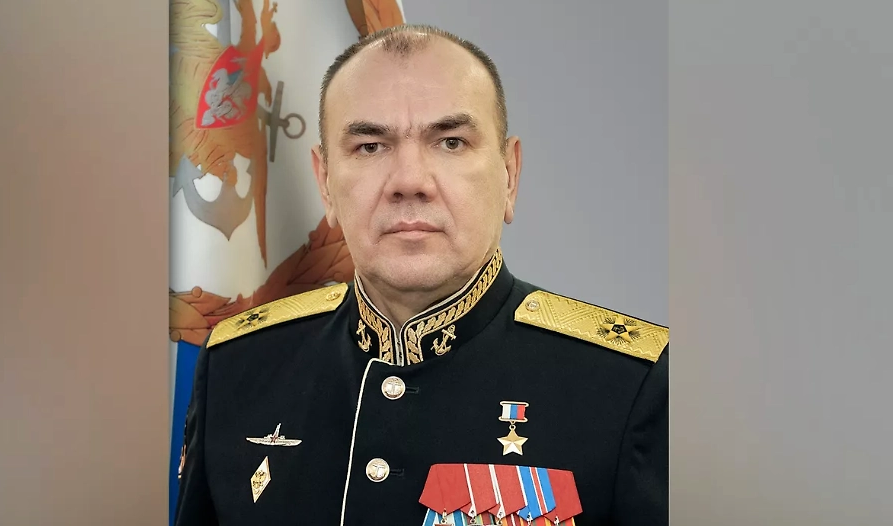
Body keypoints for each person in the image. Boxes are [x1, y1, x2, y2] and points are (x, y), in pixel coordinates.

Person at [174, 24, 667, 526]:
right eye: (370, 146)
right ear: (325, 183)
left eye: (451, 142)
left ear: (510, 175)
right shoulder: (237, 368)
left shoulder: (633, 386)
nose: (409, 181)